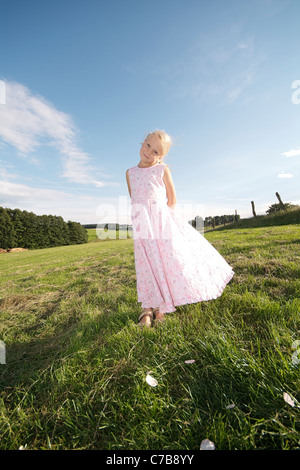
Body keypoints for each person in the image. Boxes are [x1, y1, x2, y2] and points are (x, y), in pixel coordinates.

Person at [126, 130, 234, 327]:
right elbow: (135, 199)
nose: (150, 152)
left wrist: (164, 223)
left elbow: (172, 200)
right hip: (142, 225)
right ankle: (147, 308)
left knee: (163, 262)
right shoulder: (130, 173)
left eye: (157, 152)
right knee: (146, 265)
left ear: (162, 156)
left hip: (161, 224)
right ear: (143, 142)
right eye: (148, 145)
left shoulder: (161, 170)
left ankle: (162, 306)